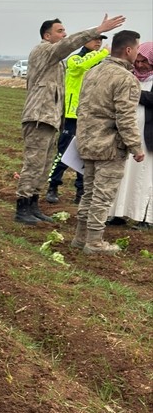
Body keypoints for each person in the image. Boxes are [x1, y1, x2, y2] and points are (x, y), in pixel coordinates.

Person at [15, 13, 125, 225]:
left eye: (65, 31)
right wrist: (97, 30)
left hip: (50, 119)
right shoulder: (43, 51)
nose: (64, 34)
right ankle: (23, 207)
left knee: (44, 165)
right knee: (34, 164)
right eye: (60, 31)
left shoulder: (57, 62)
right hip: (38, 118)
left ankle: (33, 205)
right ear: (47, 36)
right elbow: (68, 44)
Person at [72, 30, 144, 255]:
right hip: (109, 145)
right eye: (137, 48)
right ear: (129, 50)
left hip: (87, 141)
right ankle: (94, 242)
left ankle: (80, 237)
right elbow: (125, 117)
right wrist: (135, 147)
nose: (138, 53)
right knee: (102, 196)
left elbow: (82, 108)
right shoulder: (126, 79)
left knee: (89, 192)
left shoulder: (93, 72)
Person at [45, 37, 109, 204]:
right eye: (95, 39)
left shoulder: (100, 62)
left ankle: (81, 191)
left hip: (92, 115)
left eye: (100, 40)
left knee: (86, 154)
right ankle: (53, 185)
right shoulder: (74, 59)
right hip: (73, 115)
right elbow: (82, 66)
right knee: (64, 151)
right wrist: (103, 53)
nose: (98, 43)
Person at [108, 40, 153, 227]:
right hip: (127, 136)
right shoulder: (129, 76)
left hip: (147, 139)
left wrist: (134, 92)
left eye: (145, 61)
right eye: (138, 61)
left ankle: (144, 217)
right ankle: (119, 214)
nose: (140, 65)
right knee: (123, 175)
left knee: (145, 178)